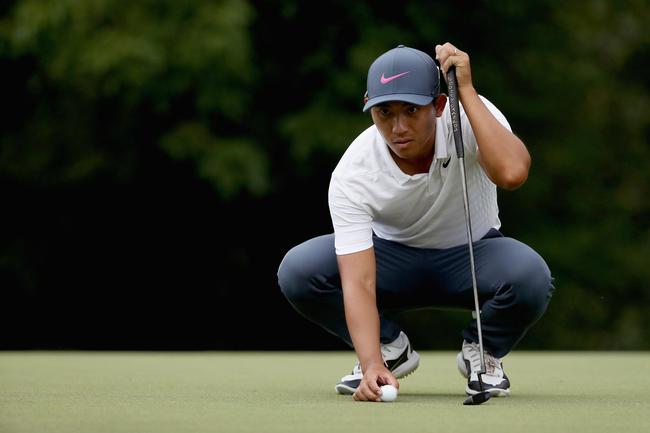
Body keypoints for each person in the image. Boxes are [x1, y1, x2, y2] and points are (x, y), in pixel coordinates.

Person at [277, 43, 554, 402]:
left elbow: (513, 173)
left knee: (531, 275)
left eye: (411, 110)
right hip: (392, 262)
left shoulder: (469, 117)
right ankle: (389, 348)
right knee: (299, 269)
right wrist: (370, 360)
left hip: (473, 258)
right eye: (384, 112)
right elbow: (358, 280)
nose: (398, 127)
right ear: (369, 108)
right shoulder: (354, 170)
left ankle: (482, 351)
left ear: (439, 106)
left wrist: (466, 91)